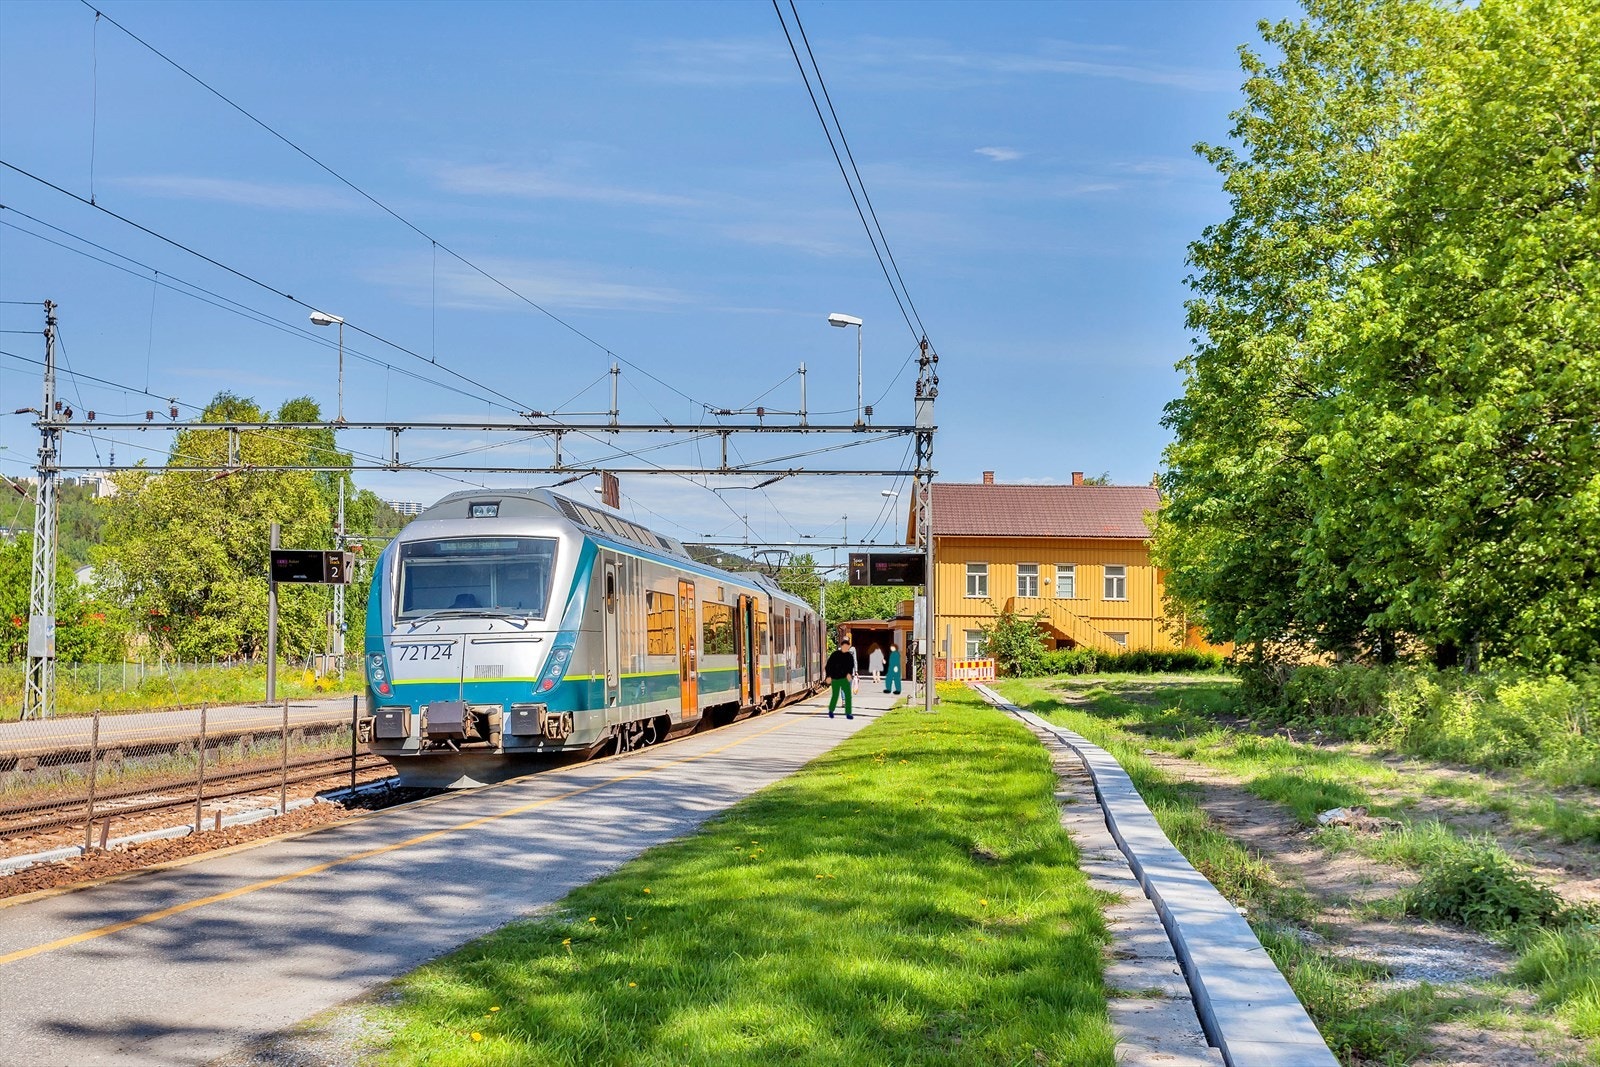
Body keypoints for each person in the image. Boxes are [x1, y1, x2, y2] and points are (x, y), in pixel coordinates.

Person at [825, 638, 855, 719]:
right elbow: (828, 666)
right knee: (835, 695)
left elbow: (851, 666)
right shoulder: (835, 655)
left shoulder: (849, 655)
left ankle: (848, 713)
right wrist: (828, 676)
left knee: (847, 696)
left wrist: (850, 674)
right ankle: (831, 711)